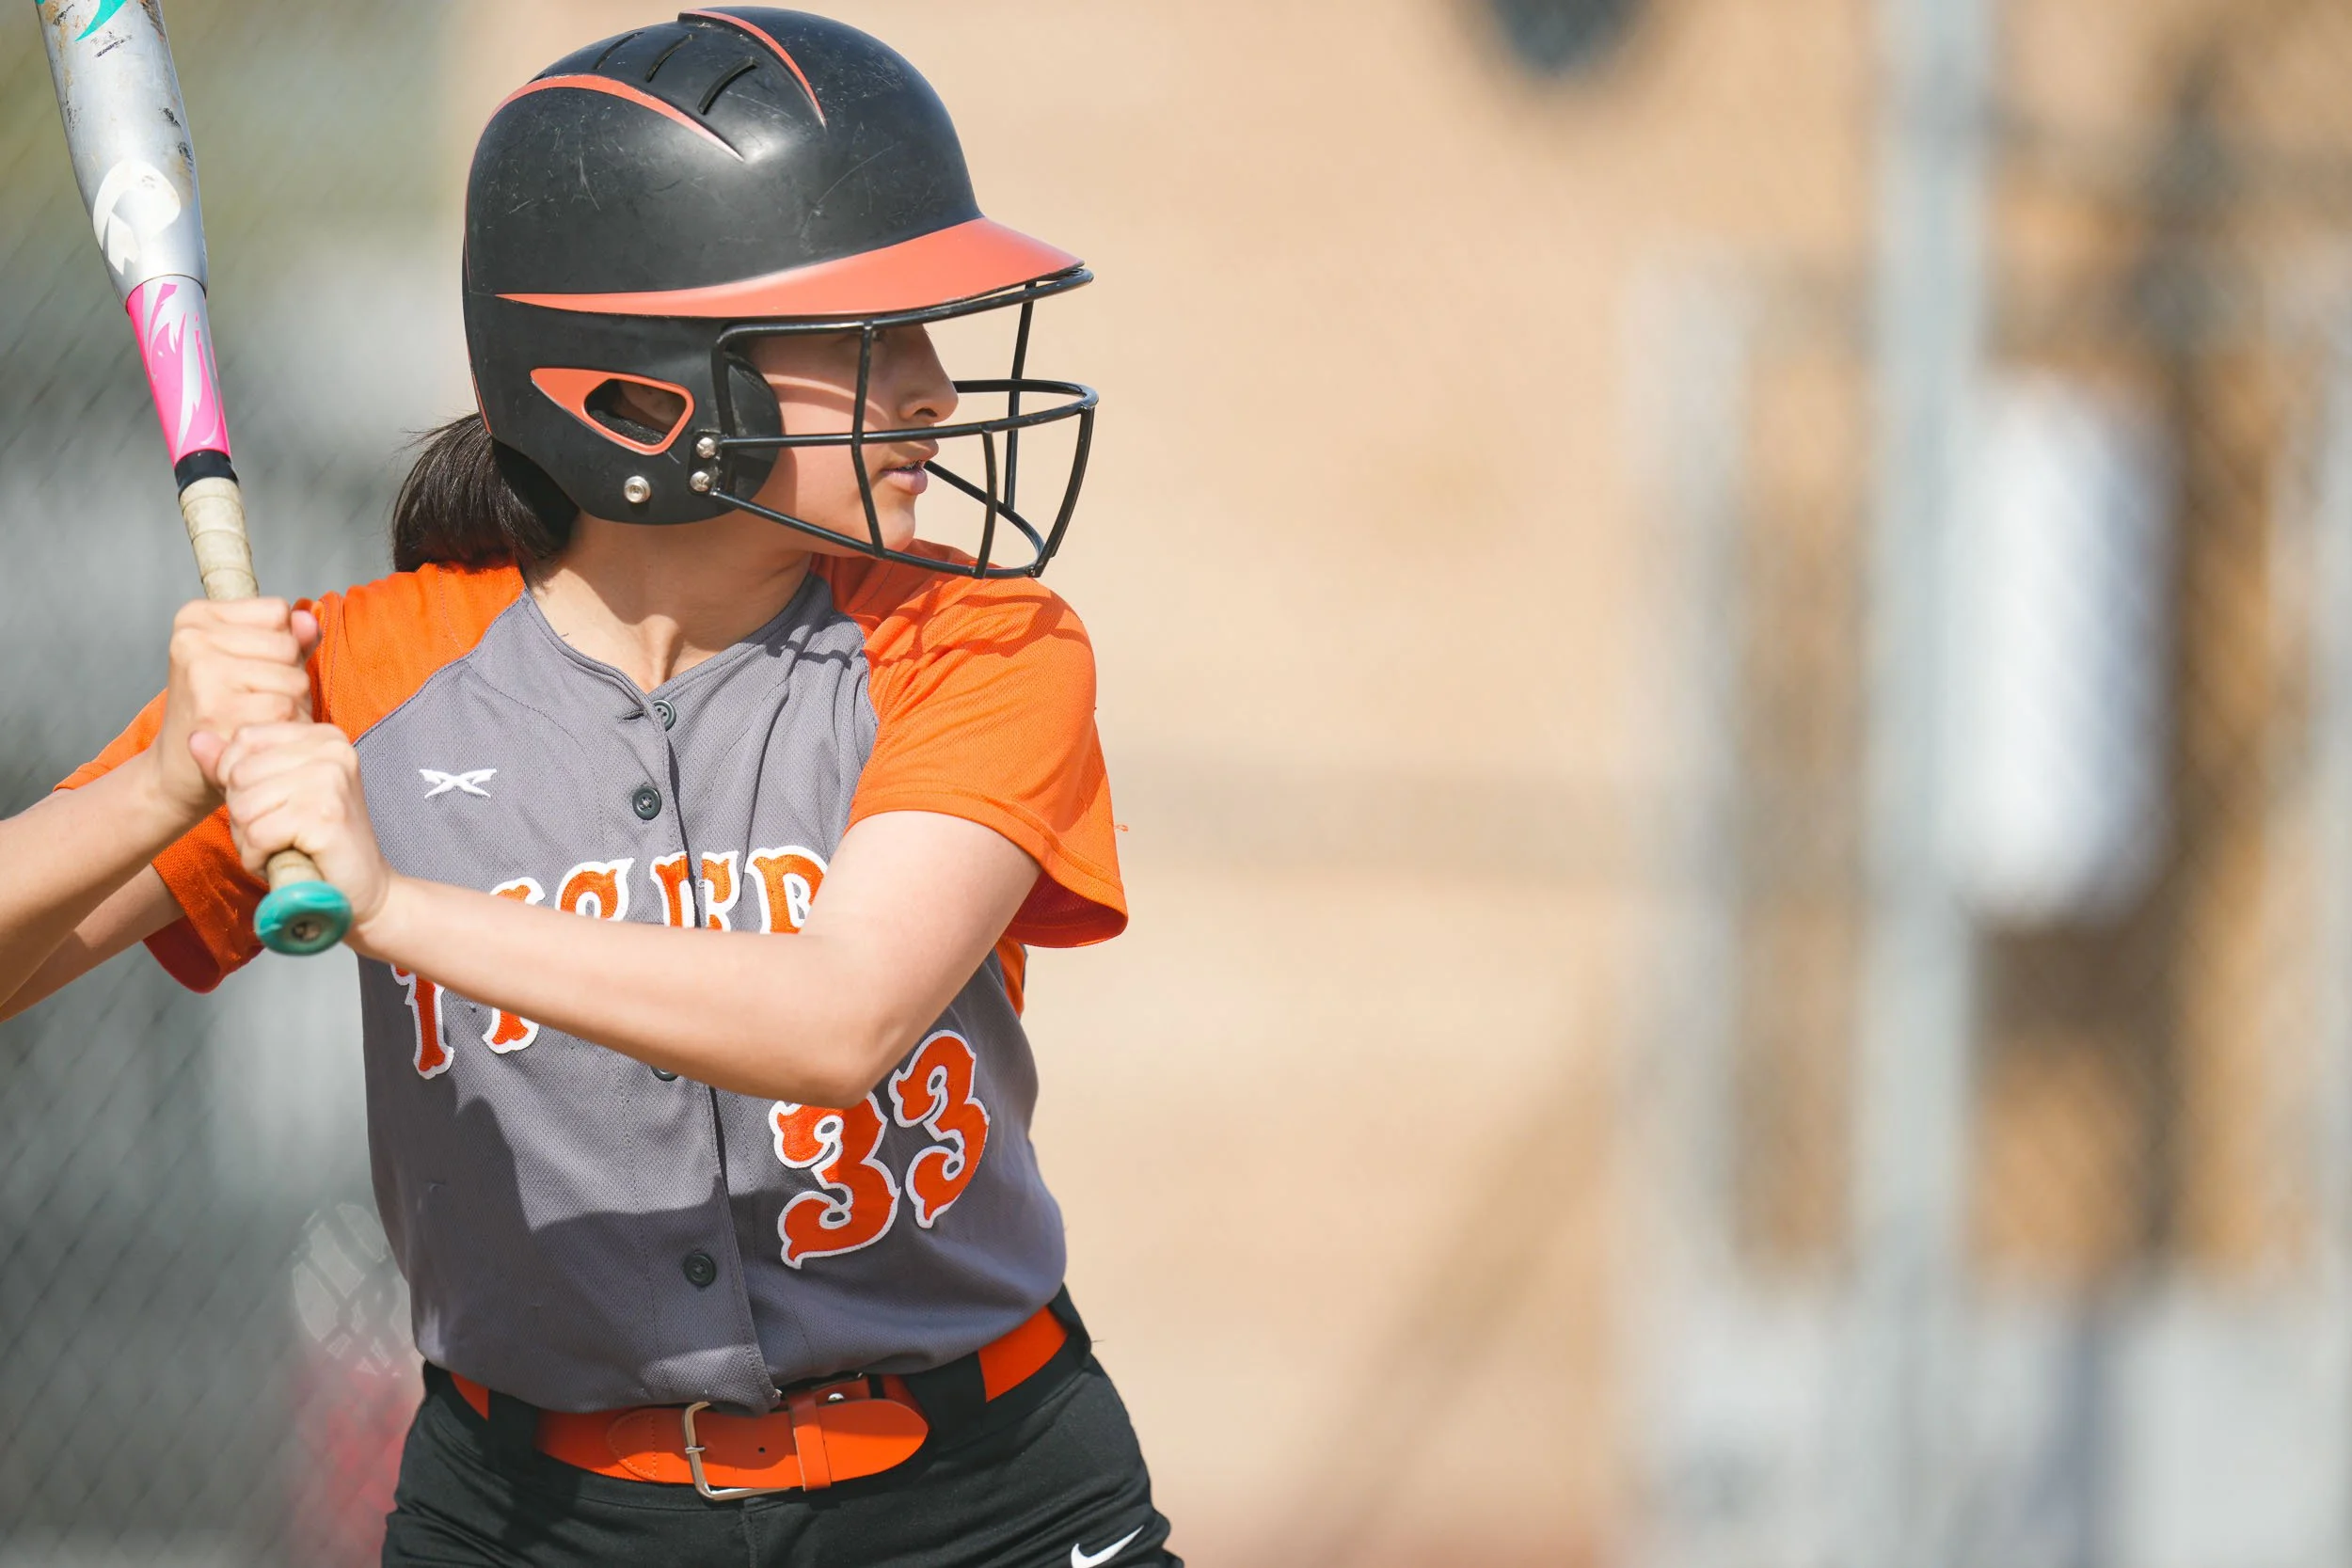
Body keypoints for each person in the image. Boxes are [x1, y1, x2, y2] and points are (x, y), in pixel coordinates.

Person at [0, 9, 1177, 1565]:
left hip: (982, 1498)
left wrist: (394, 906)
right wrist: (162, 789)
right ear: (639, 397)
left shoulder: (975, 641)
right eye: (869, 337)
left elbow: (838, 1021)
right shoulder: (371, 672)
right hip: (536, 1516)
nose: (935, 391)